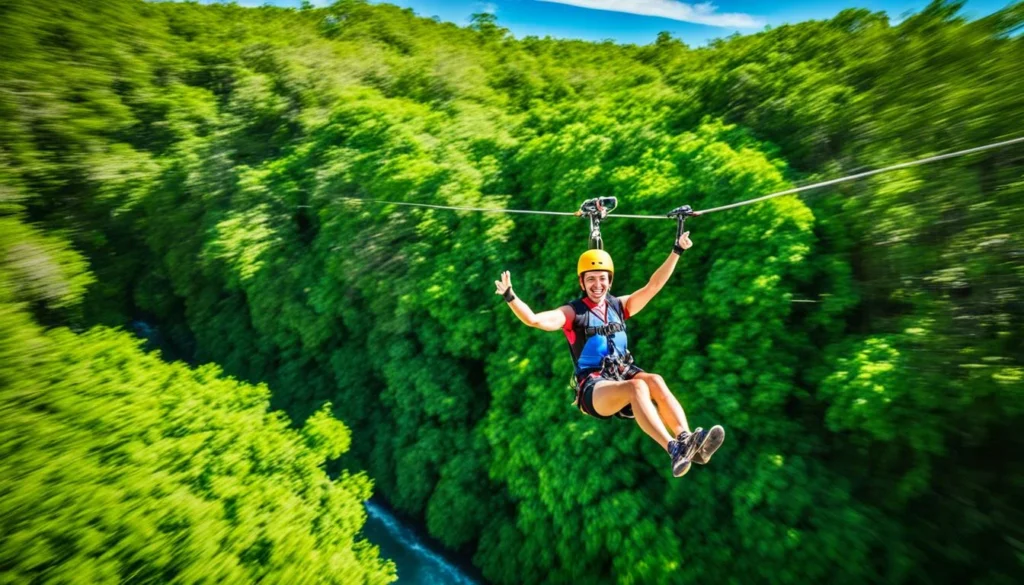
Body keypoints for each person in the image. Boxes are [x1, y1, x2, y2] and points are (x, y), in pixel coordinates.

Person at [494, 231, 724, 477]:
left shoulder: (618, 306)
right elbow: (535, 320)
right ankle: (673, 449)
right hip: (594, 389)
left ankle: (687, 440)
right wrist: (510, 296)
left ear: (610, 281)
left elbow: (654, 285)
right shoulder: (574, 313)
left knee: (654, 380)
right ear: (582, 283)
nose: (597, 285)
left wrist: (676, 250)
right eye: (591, 279)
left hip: (622, 373)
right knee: (637, 388)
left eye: (602, 279)